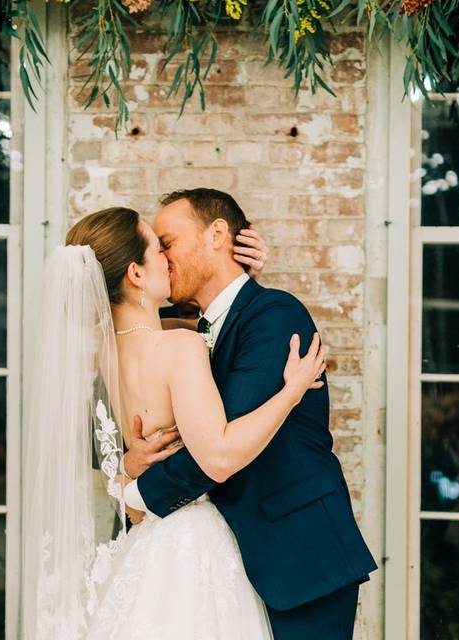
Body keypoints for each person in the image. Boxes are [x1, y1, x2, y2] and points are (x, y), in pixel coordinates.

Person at [23, 204, 325, 640]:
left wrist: (242, 277)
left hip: (147, 540)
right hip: (193, 543)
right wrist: (290, 393)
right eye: (158, 250)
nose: (169, 259)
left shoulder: (107, 358)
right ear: (136, 274)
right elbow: (218, 457)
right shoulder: (179, 346)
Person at [122, 189, 377, 640]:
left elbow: (216, 452)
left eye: (168, 242)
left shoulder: (275, 316)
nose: (162, 257)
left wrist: (137, 492)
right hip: (225, 566)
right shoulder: (180, 331)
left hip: (297, 559)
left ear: (217, 234)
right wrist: (129, 459)